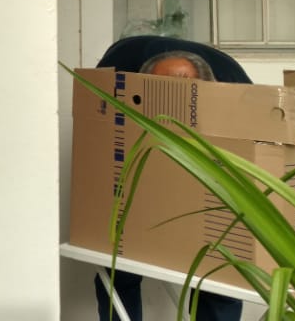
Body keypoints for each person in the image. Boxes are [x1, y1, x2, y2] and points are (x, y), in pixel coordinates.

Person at [93, 37, 245, 321]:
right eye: (163, 92)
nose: (173, 102)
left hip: (210, 179)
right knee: (117, 266)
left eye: (183, 93)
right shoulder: (117, 77)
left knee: (221, 278)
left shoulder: (236, 92)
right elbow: (98, 139)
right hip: (136, 175)